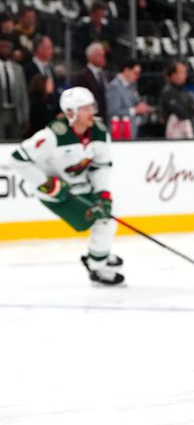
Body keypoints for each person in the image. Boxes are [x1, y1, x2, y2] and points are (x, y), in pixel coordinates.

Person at [9, 87, 123, 285]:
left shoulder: (98, 132)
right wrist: (47, 184)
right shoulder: (51, 136)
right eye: (85, 109)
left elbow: (101, 166)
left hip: (80, 186)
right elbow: (17, 159)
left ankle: (98, 255)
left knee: (108, 215)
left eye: (91, 107)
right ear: (71, 112)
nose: (92, 113)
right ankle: (97, 266)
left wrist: (102, 193)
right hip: (58, 194)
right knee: (102, 221)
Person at [106, 59, 153, 139]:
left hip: (131, 132)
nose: (137, 76)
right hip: (119, 134)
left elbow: (135, 102)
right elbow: (112, 111)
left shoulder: (131, 86)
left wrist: (142, 107)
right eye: (135, 73)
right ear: (127, 70)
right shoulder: (115, 87)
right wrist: (135, 110)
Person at [159, 61, 194, 139]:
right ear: (173, 75)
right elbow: (181, 113)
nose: (185, 75)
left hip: (186, 135)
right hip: (174, 137)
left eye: (185, 72)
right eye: (182, 72)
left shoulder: (183, 92)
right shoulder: (168, 92)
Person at [0, 35, 29, 139]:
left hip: (15, 112)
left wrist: (25, 116)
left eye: (7, 47)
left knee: (15, 141)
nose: (4, 49)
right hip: (1, 111)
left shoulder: (18, 68)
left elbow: (23, 94)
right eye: (2, 46)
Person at [74, 42, 109, 121]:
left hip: (106, 117)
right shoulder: (82, 76)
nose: (103, 58)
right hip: (91, 118)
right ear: (90, 57)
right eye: (99, 55)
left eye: (103, 55)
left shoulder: (106, 74)